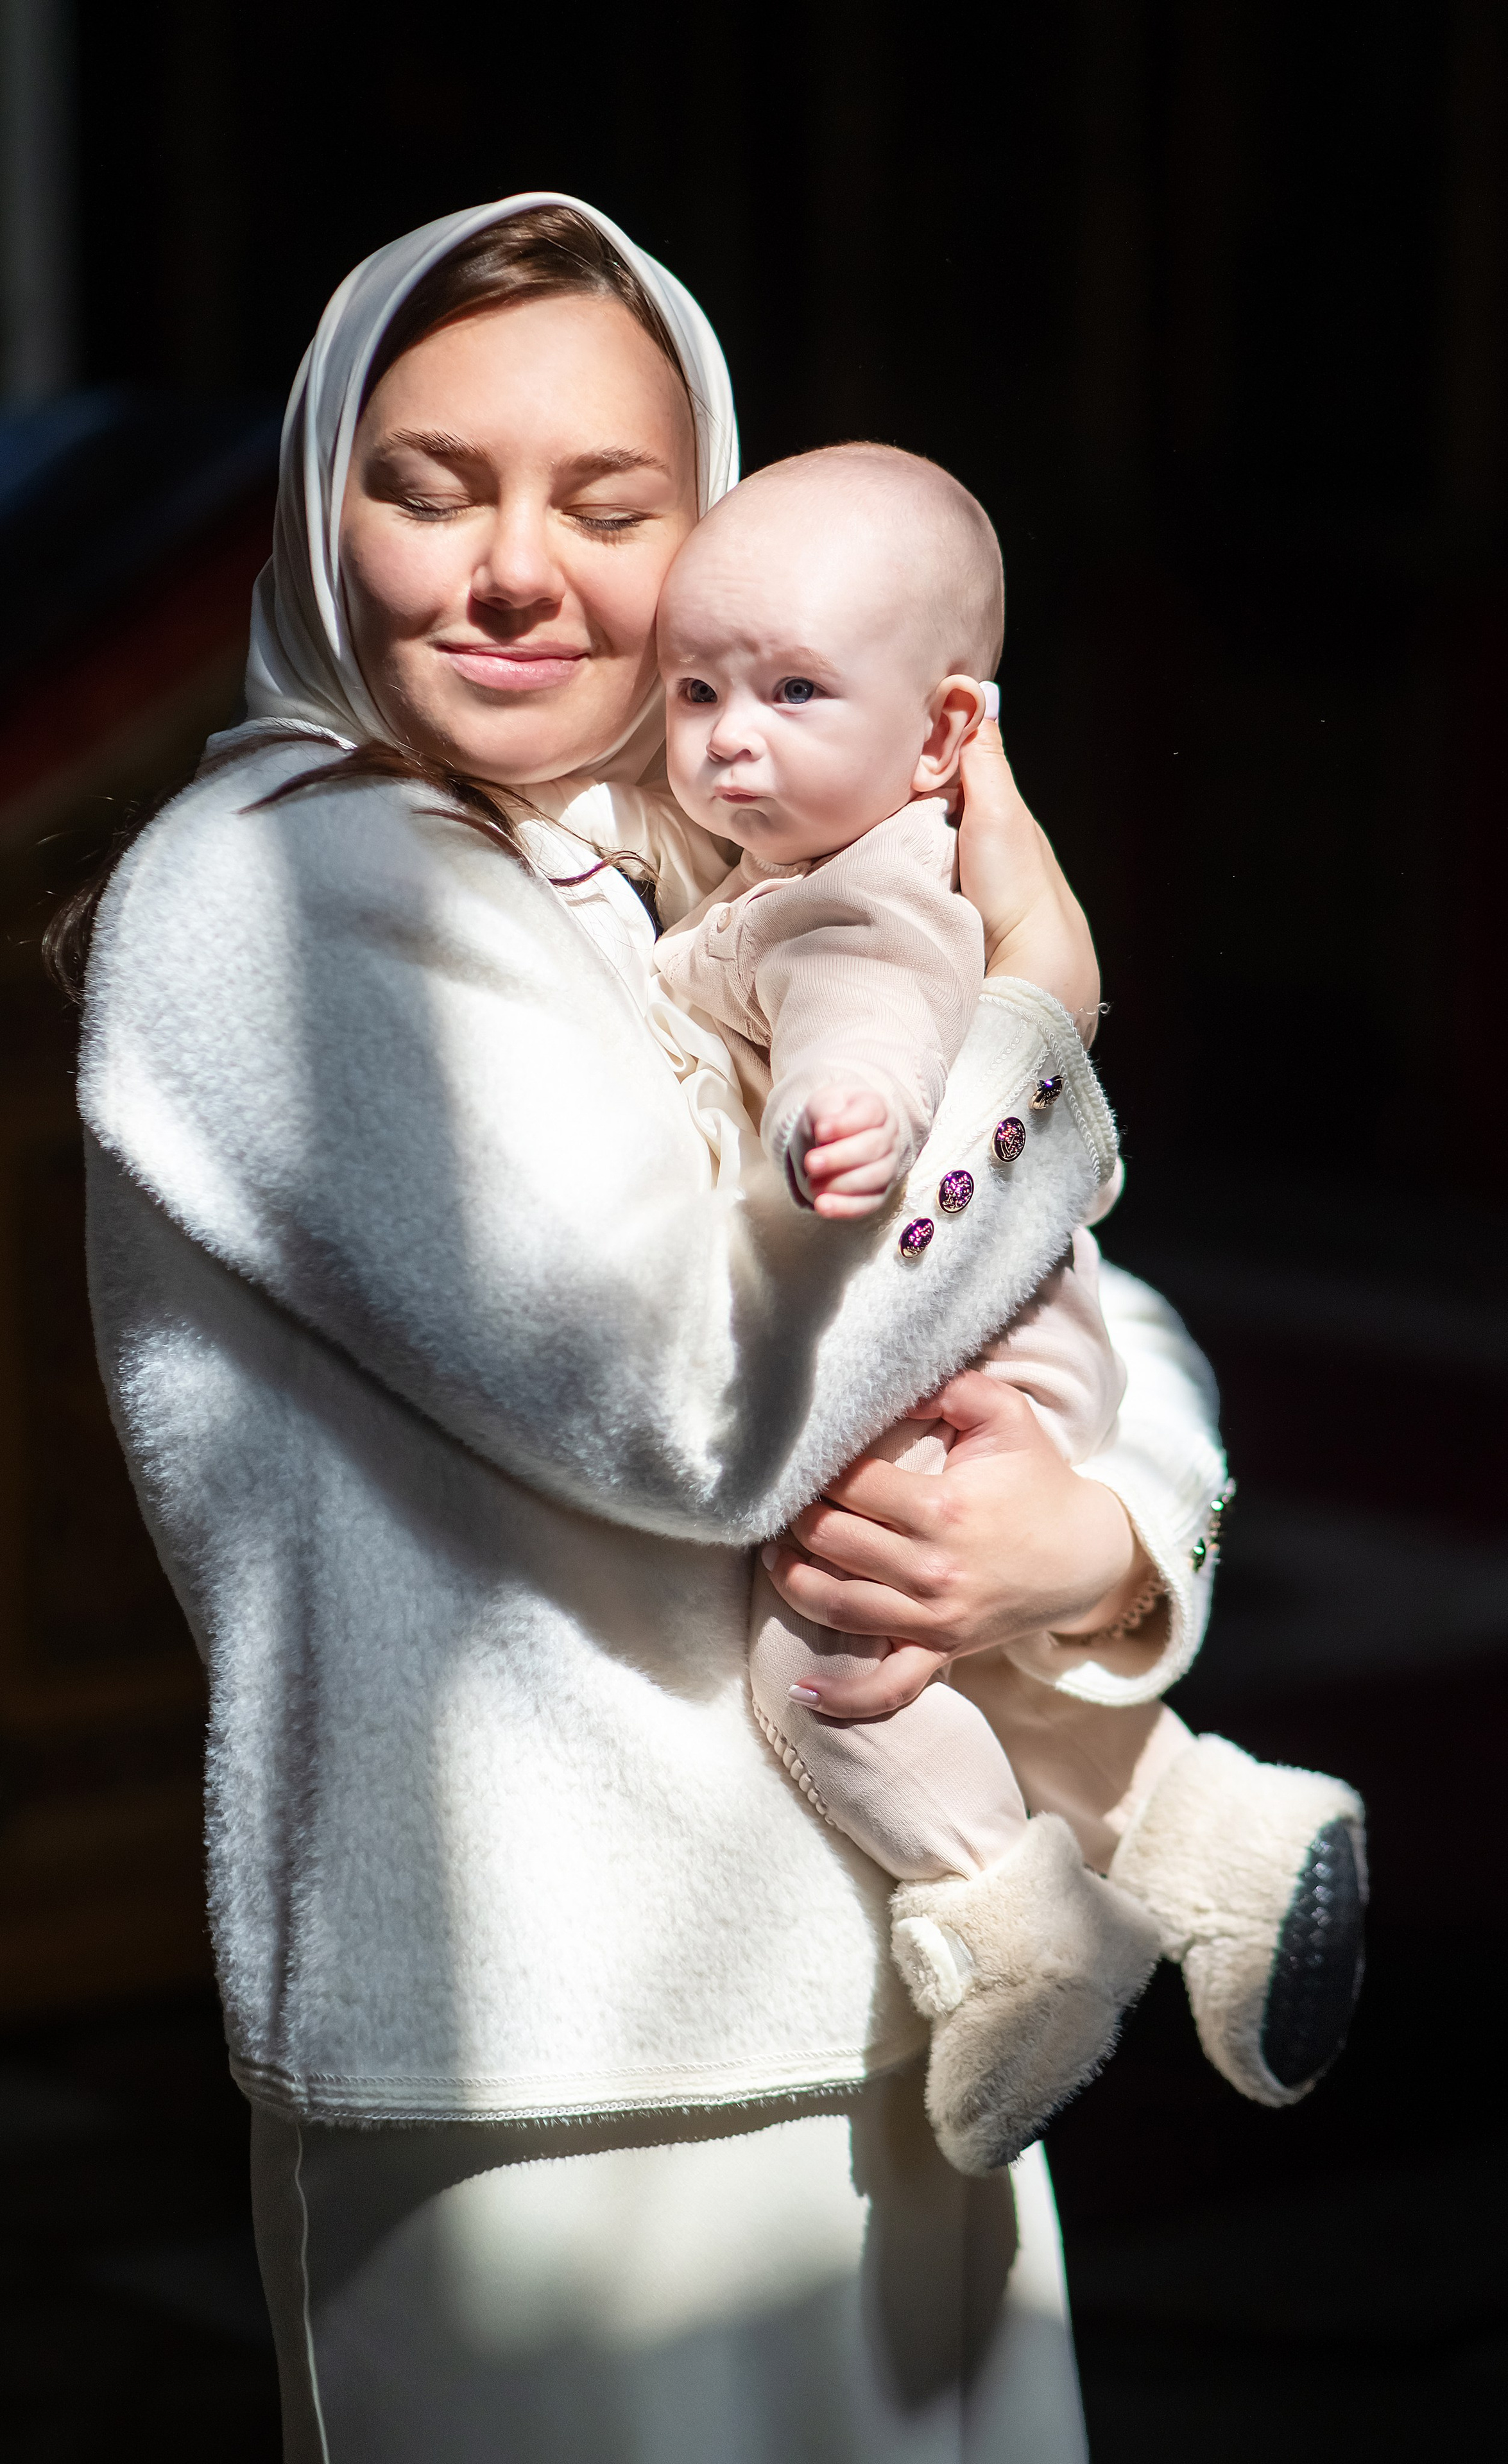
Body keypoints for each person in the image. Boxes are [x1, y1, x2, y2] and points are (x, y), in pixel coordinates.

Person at [63, 194, 1230, 2463]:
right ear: (323, 506)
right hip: (550, 2069)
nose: (520, 571)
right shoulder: (276, 899)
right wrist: (1041, 1019)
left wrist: (1090, 1537)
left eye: (611, 506)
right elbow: (696, 1409)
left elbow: (1101, 1300)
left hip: (913, 2007)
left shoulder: (711, 853)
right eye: (430, 487)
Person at [648, 443, 1367, 2171]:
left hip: (948, 1351)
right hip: (1006, 1346)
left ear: (948, 732)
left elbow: (865, 1008)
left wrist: (859, 1113)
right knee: (979, 1659)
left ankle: (1018, 1928)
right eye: (695, 692)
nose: (730, 736)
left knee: (835, 1665)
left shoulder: (851, 883)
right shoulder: (811, 855)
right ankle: (1221, 1832)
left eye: (793, 690)